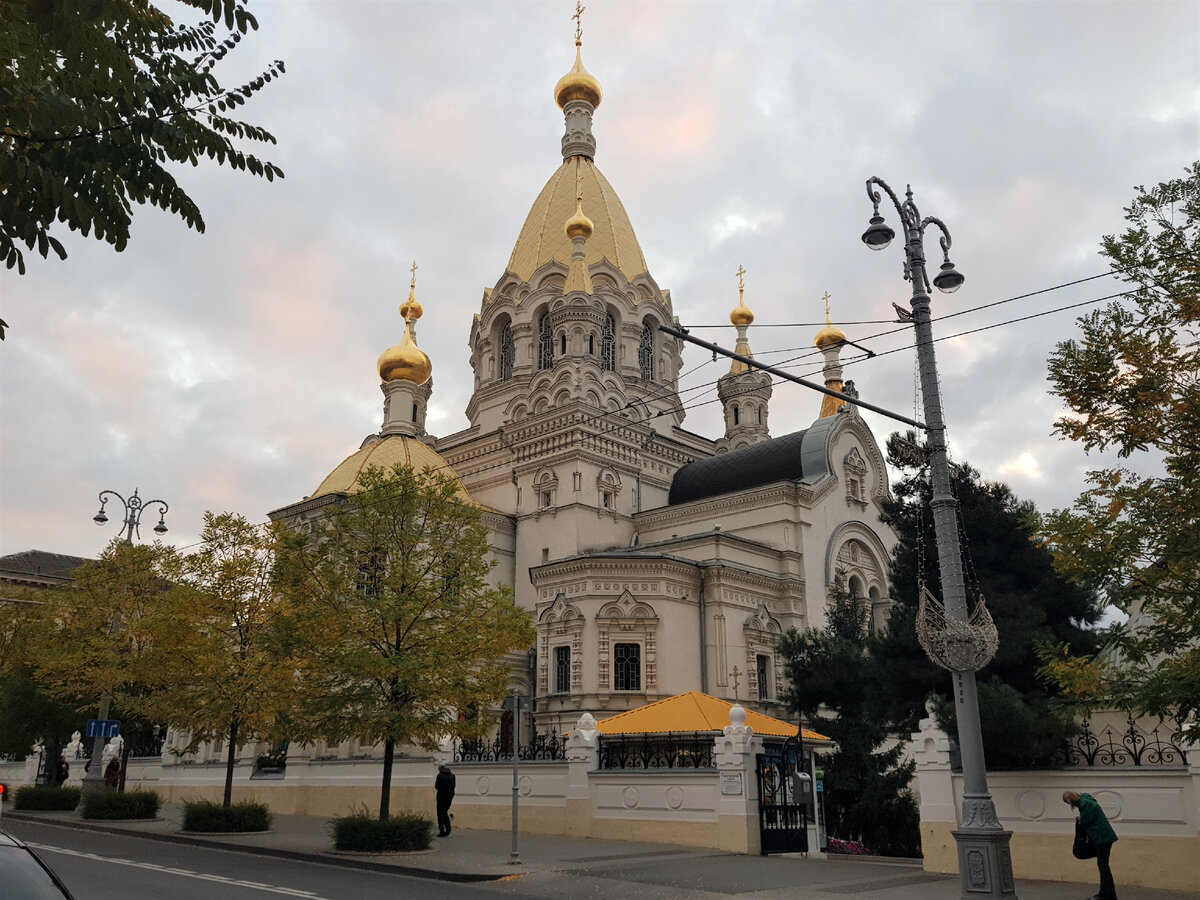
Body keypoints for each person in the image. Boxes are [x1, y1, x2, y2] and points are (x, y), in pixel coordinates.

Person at [1064, 790, 1118, 900]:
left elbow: (1086, 822)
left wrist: (1080, 820)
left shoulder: (1085, 805)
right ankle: (1108, 893)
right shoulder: (1086, 800)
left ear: (1070, 801)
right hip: (1104, 837)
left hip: (1102, 838)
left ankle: (1106, 895)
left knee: (1103, 867)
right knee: (1103, 866)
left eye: (1068, 803)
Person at [435, 764, 456, 837]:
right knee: (444, 812)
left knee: (441, 814)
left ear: (440, 769)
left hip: (441, 797)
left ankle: (442, 830)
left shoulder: (439, 775)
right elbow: (454, 786)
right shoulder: (452, 776)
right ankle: (447, 829)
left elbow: (436, 786)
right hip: (449, 797)